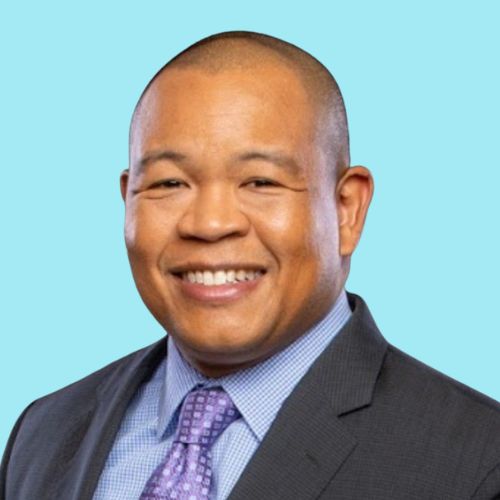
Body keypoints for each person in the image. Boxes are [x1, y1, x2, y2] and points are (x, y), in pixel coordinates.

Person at [1, 30, 500, 500]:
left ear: (347, 208)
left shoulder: (477, 461)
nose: (210, 224)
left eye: (260, 182)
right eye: (169, 184)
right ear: (127, 198)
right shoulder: (44, 432)